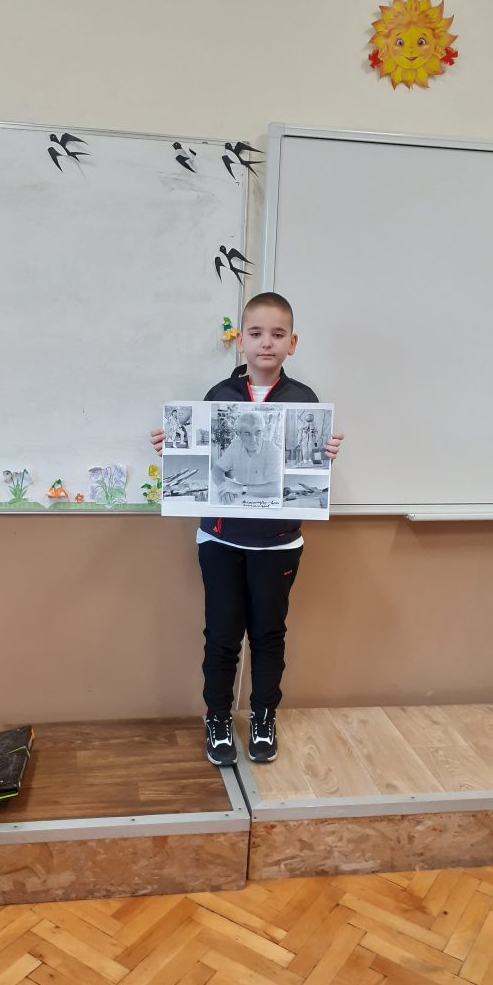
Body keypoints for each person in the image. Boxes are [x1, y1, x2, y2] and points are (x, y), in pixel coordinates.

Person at [150, 292, 343, 766]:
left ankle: (263, 717)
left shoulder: (303, 402)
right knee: (222, 635)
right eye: (256, 333)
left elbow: (302, 473)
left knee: (268, 635)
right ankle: (217, 718)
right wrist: (175, 449)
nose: (266, 343)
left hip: (278, 544)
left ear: (292, 343)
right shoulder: (220, 397)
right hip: (220, 540)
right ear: (242, 342)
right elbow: (210, 468)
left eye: (277, 334)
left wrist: (324, 454)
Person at [212, 409, 282, 506]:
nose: (253, 439)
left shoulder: (273, 451)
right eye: (247, 433)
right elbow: (217, 469)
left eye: (258, 432)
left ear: (263, 432)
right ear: (239, 434)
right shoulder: (235, 445)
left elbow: (276, 488)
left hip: (266, 503)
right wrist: (223, 488)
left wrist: (242, 488)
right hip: (241, 500)